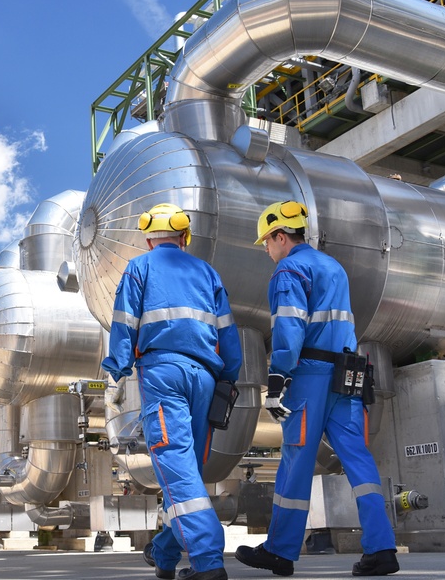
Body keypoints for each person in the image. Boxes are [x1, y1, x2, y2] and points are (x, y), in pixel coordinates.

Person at [234, 201, 399, 577]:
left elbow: (290, 329)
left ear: (281, 236)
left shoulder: (288, 270)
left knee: (297, 459)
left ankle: (280, 550)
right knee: (358, 459)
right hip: (347, 374)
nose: (265, 249)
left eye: (267, 241)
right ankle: (382, 549)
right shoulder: (333, 267)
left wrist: (277, 378)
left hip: (310, 375)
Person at [102, 203, 242, 580]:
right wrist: (228, 377)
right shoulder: (207, 272)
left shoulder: (139, 267)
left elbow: (124, 321)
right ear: (184, 237)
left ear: (149, 239)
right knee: (186, 470)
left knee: (176, 467)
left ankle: (208, 559)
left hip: (164, 375)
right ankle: (165, 554)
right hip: (206, 378)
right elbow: (228, 334)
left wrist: (117, 367)